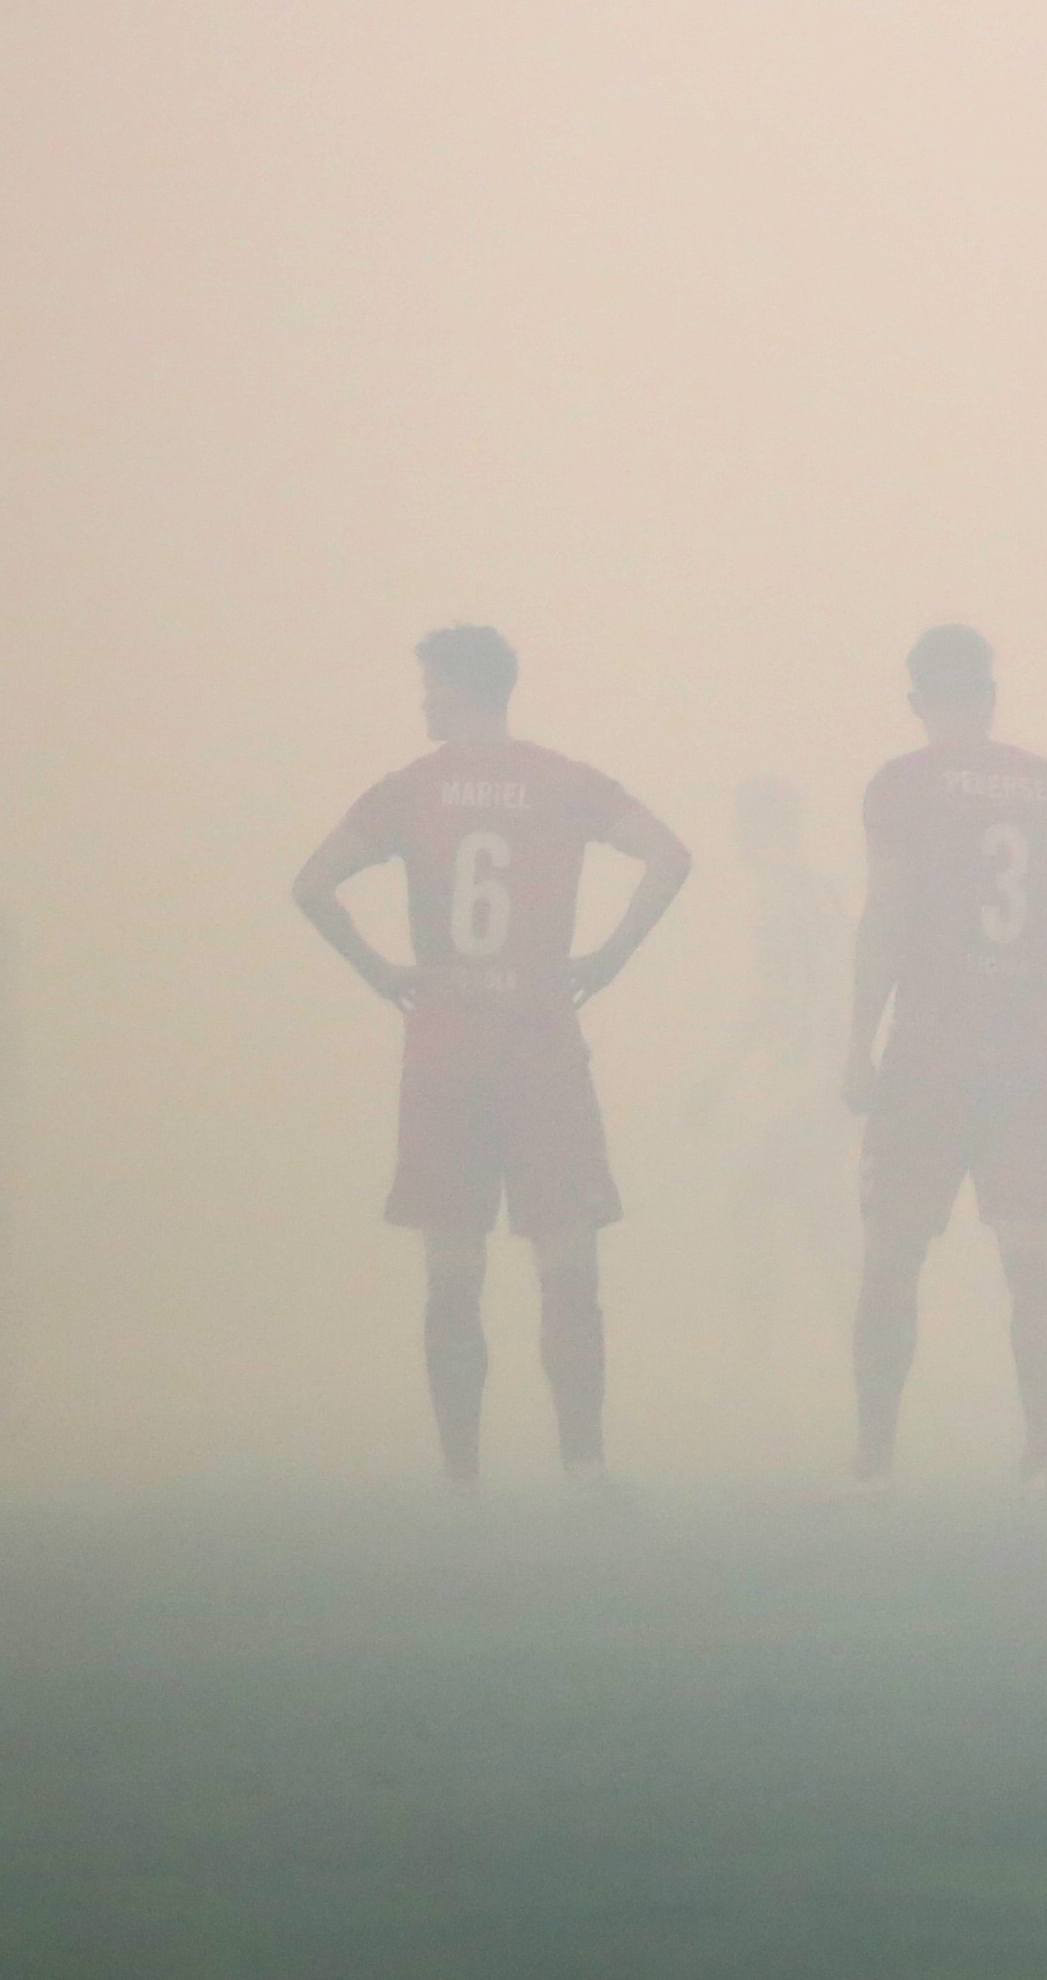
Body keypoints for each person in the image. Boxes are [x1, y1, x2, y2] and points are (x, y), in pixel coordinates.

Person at [291, 626, 692, 1500]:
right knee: (567, 1256)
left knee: (452, 1263)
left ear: (462, 687)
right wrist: (613, 954)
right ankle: (583, 1466)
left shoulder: (411, 789)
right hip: (540, 1040)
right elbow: (670, 853)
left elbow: (312, 883)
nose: (422, 701)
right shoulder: (563, 779)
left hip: (445, 1046)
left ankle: (461, 1476)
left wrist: (380, 974)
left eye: (430, 685)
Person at [845, 625, 1047, 1490]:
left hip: (930, 1046)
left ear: (919, 698)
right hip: (1023, 1051)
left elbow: (884, 918)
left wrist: (858, 1041)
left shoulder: (903, 785)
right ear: (990, 693)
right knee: (1031, 1256)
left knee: (894, 1251)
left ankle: (876, 1461)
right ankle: (1043, 1459)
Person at [685, 774, 854, 1392]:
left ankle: (761, 1372)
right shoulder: (823, 894)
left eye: (743, 821)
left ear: (760, 828)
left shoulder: (782, 898)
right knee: (823, 1221)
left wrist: (718, 1078)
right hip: (828, 1081)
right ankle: (858, 1357)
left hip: (810, 1083)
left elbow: (776, 1001)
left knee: (760, 1202)